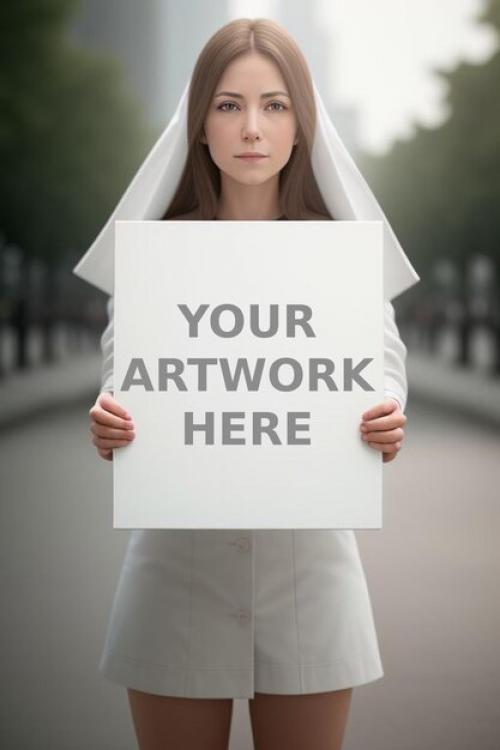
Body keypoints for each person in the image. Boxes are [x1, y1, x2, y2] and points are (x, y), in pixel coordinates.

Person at [84, 17, 418, 750]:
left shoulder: (344, 262)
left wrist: (387, 417)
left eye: (274, 105)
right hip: (176, 574)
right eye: (229, 105)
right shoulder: (155, 263)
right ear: (199, 123)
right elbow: (125, 379)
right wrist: (112, 420)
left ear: (303, 123)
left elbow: (384, 373)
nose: (252, 128)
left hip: (310, 579)